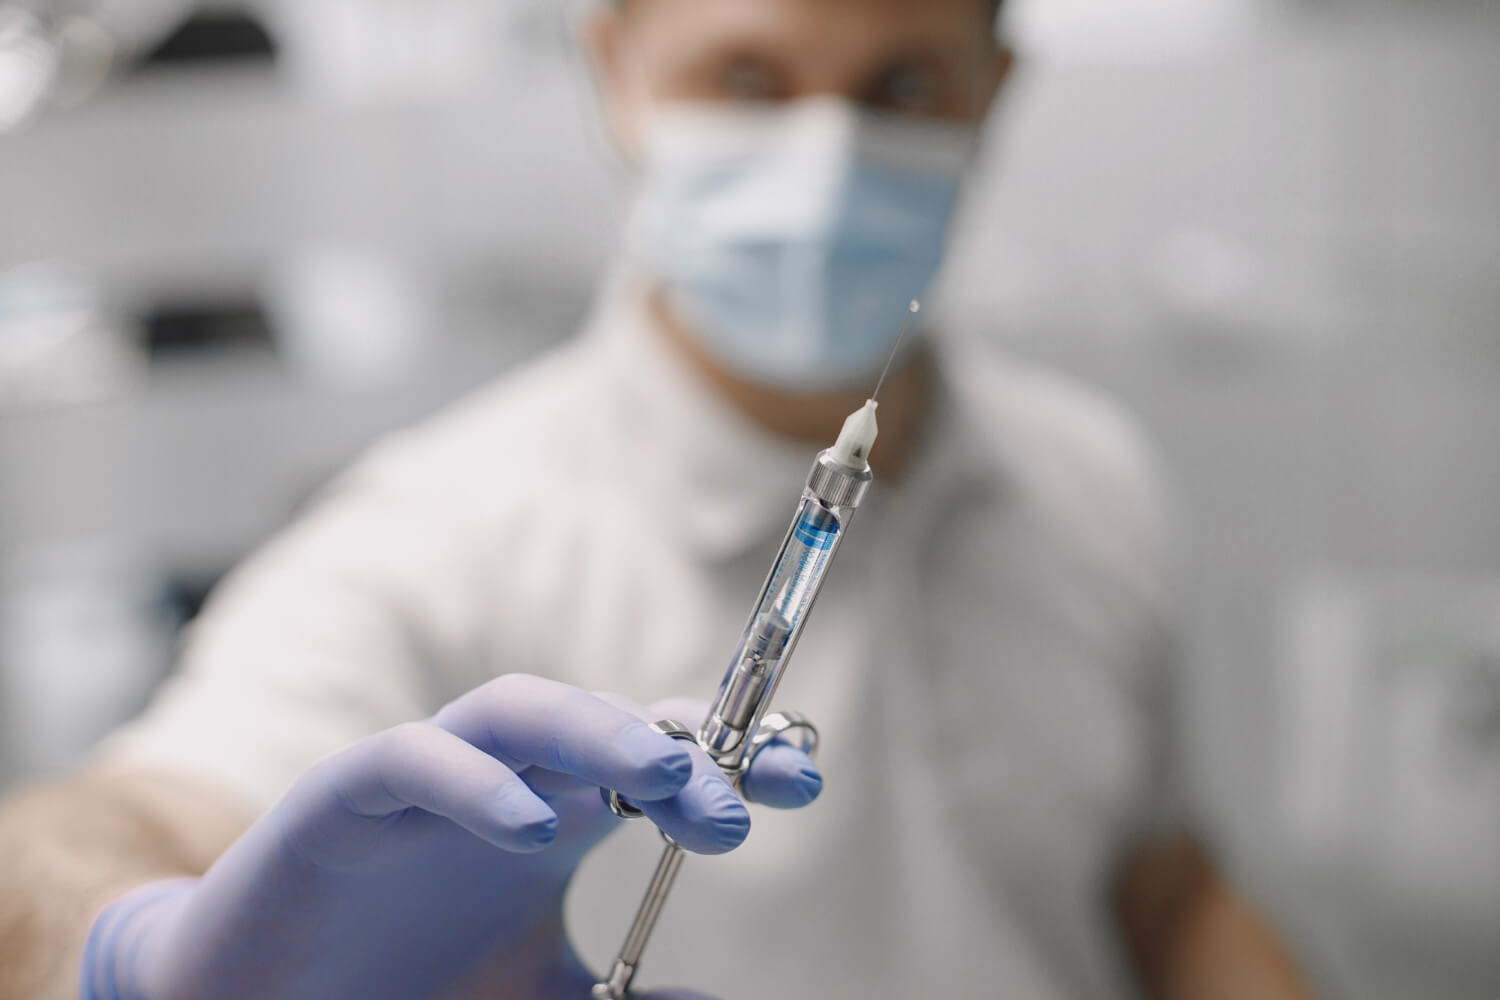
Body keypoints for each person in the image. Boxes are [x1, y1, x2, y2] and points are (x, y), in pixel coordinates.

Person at [0, 0, 1318, 997]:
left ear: (994, 90)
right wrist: (134, 946)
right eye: (746, 78)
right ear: (615, 67)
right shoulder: (437, 532)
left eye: (900, 84)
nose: (825, 158)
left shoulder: (1093, 475)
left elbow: (1160, 889)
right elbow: (90, 836)